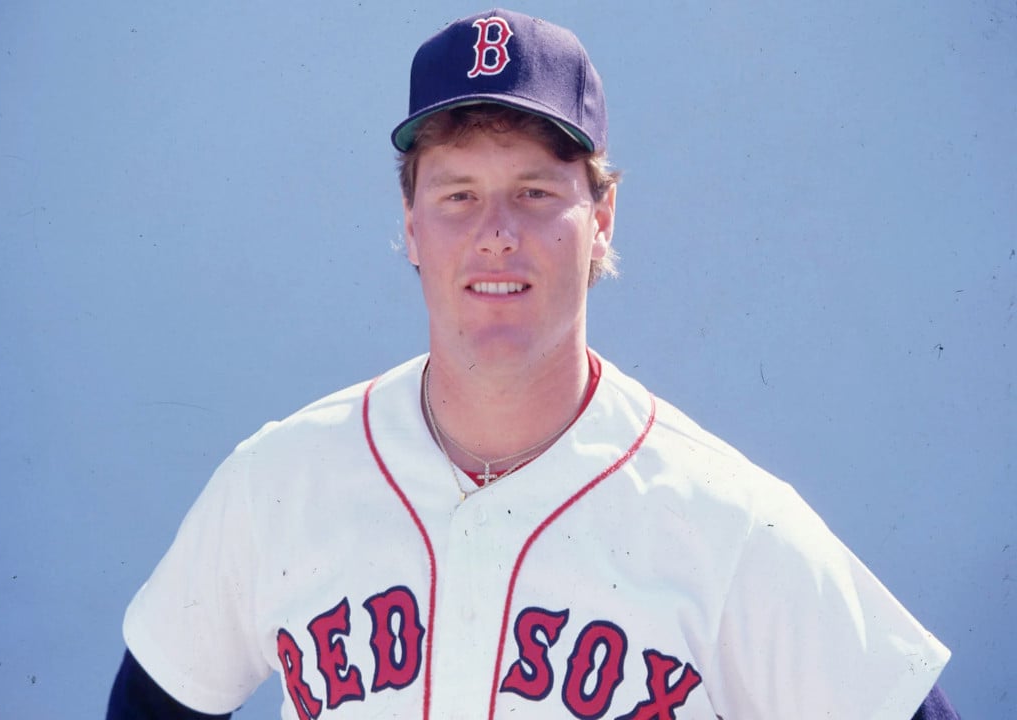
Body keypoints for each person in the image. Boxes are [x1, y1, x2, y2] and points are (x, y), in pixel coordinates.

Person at [108, 8, 959, 719]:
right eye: (458, 194)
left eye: (536, 192)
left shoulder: (729, 524)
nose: (496, 232)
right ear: (410, 223)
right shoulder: (276, 485)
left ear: (604, 216)